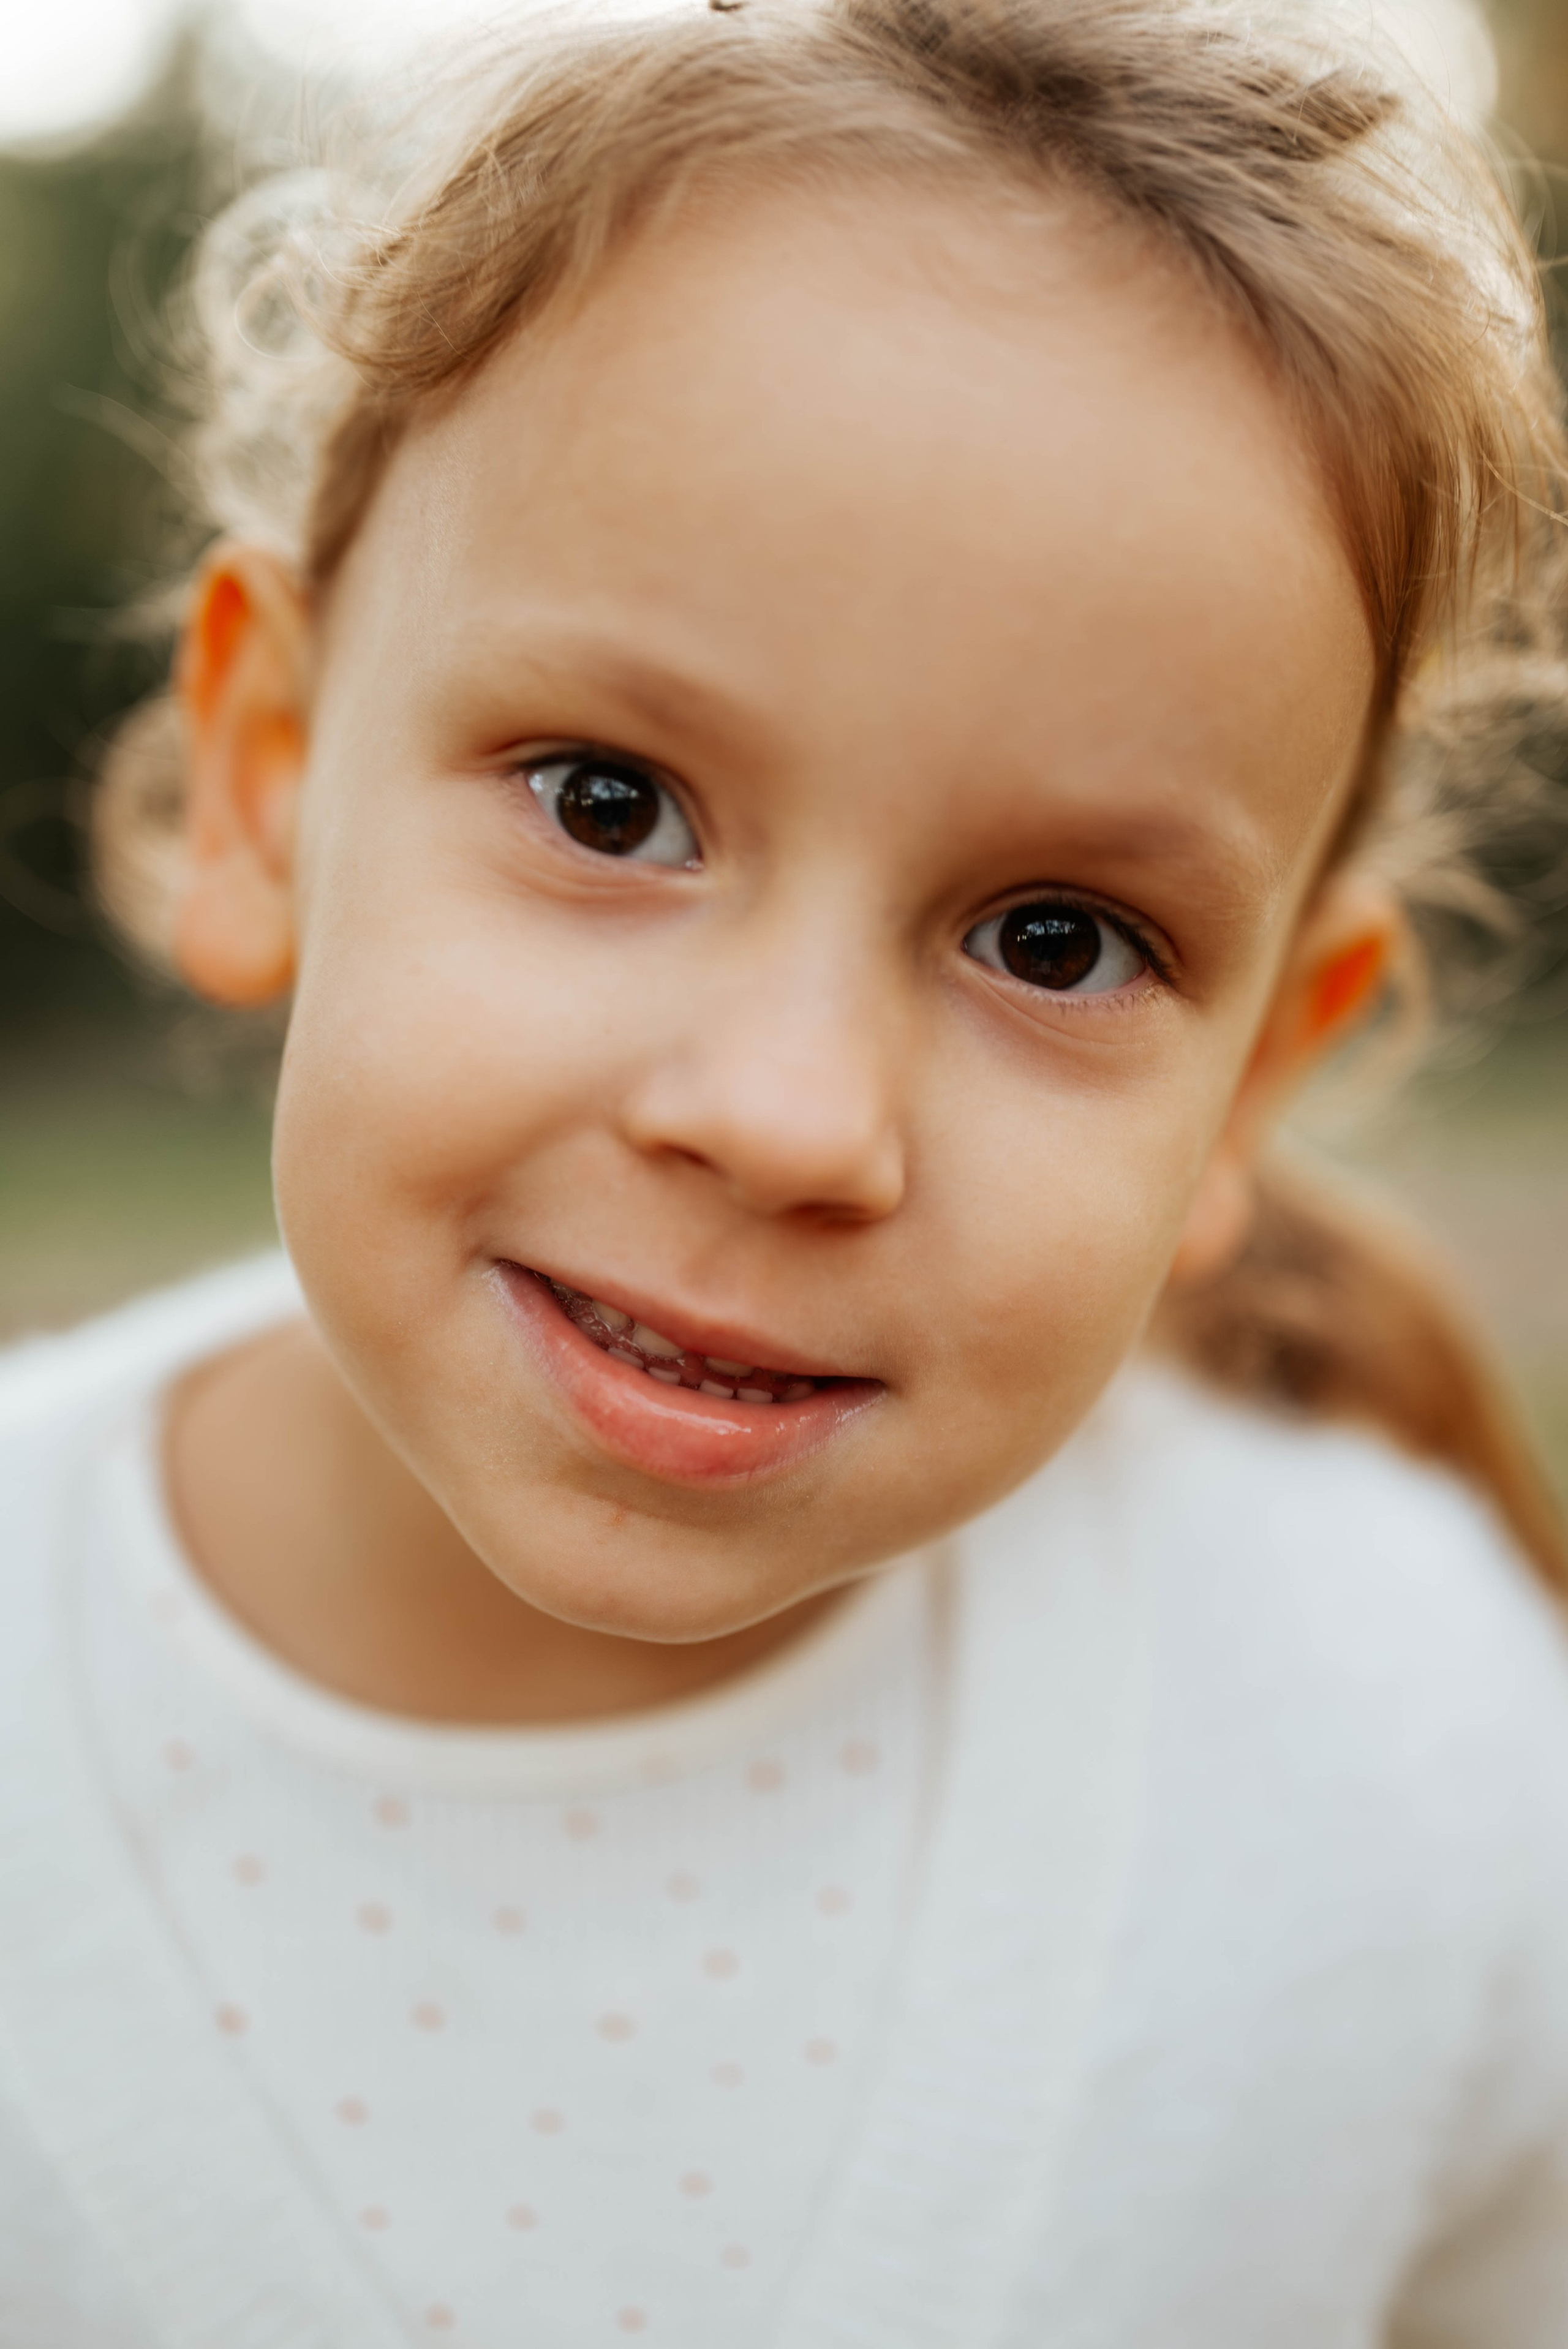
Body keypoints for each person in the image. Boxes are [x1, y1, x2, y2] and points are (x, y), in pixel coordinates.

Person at [2, 0, 1567, 2339]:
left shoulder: (1406, 1742)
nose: (793, 1114)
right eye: (611, 803)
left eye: (1059, 940)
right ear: (266, 775)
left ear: (1250, 1078)